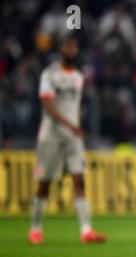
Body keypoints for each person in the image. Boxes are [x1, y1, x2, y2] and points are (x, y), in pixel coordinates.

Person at [28, 35, 107, 245]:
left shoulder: (79, 77)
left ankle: (86, 231)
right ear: (61, 50)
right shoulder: (49, 74)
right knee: (44, 184)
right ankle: (35, 230)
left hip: (73, 137)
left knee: (79, 180)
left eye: (74, 47)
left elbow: (74, 108)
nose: (71, 51)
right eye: (68, 47)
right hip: (51, 135)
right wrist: (72, 126)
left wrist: (76, 126)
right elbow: (47, 106)